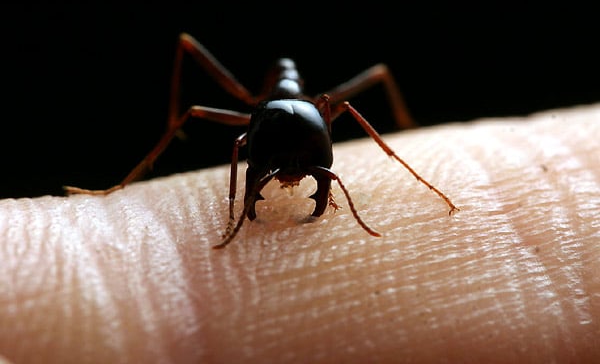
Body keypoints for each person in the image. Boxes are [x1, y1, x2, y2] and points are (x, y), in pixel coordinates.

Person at [0, 103, 598, 363]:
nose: (287, 178)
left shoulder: (315, 115)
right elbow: (244, 144)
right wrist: (236, 204)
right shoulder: (250, 135)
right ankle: (120, 185)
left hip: (290, 112)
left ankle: (409, 140)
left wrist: (408, 162)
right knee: (196, 100)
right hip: (268, 115)